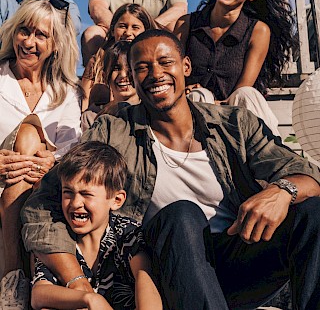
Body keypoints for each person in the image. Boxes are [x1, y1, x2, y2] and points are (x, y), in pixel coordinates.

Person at [21, 30, 320, 310]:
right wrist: (79, 285)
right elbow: (43, 201)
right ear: (134, 79)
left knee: (312, 211)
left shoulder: (235, 124)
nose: (156, 74)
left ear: (186, 66)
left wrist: (283, 190)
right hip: (169, 269)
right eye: (142, 67)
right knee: (182, 214)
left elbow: (305, 172)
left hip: (240, 255)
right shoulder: (114, 131)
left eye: (165, 62)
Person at [0, 0, 82, 310]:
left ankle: (14, 280)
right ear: (13, 33)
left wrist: (53, 162)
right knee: (28, 132)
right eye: (24, 31)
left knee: (33, 141)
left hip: (43, 186)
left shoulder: (66, 91)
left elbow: (72, 151)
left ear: (55, 45)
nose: (29, 41)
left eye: (40, 35)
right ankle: (22, 276)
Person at [174, 0, 297, 135]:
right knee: (199, 96)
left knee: (248, 94)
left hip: (235, 115)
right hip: (193, 113)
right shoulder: (186, 24)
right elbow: (172, 71)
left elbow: (240, 93)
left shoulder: (258, 31)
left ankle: (273, 155)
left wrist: (217, 105)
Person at [31, 141, 162, 310]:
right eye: (68, 192)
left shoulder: (126, 233)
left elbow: (145, 278)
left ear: (116, 200)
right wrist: (90, 299)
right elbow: (39, 293)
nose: (76, 203)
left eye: (87, 194)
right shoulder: (59, 237)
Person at [81, 3, 157, 111]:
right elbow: (84, 101)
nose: (128, 33)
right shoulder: (97, 61)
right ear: (112, 30)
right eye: (122, 26)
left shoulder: (153, 62)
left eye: (135, 27)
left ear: (146, 31)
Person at [81, 41, 139, 131]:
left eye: (129, 68)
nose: (123, 75)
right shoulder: (92, 117)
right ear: (104, 77)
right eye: (116, 68)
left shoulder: (153, 113)